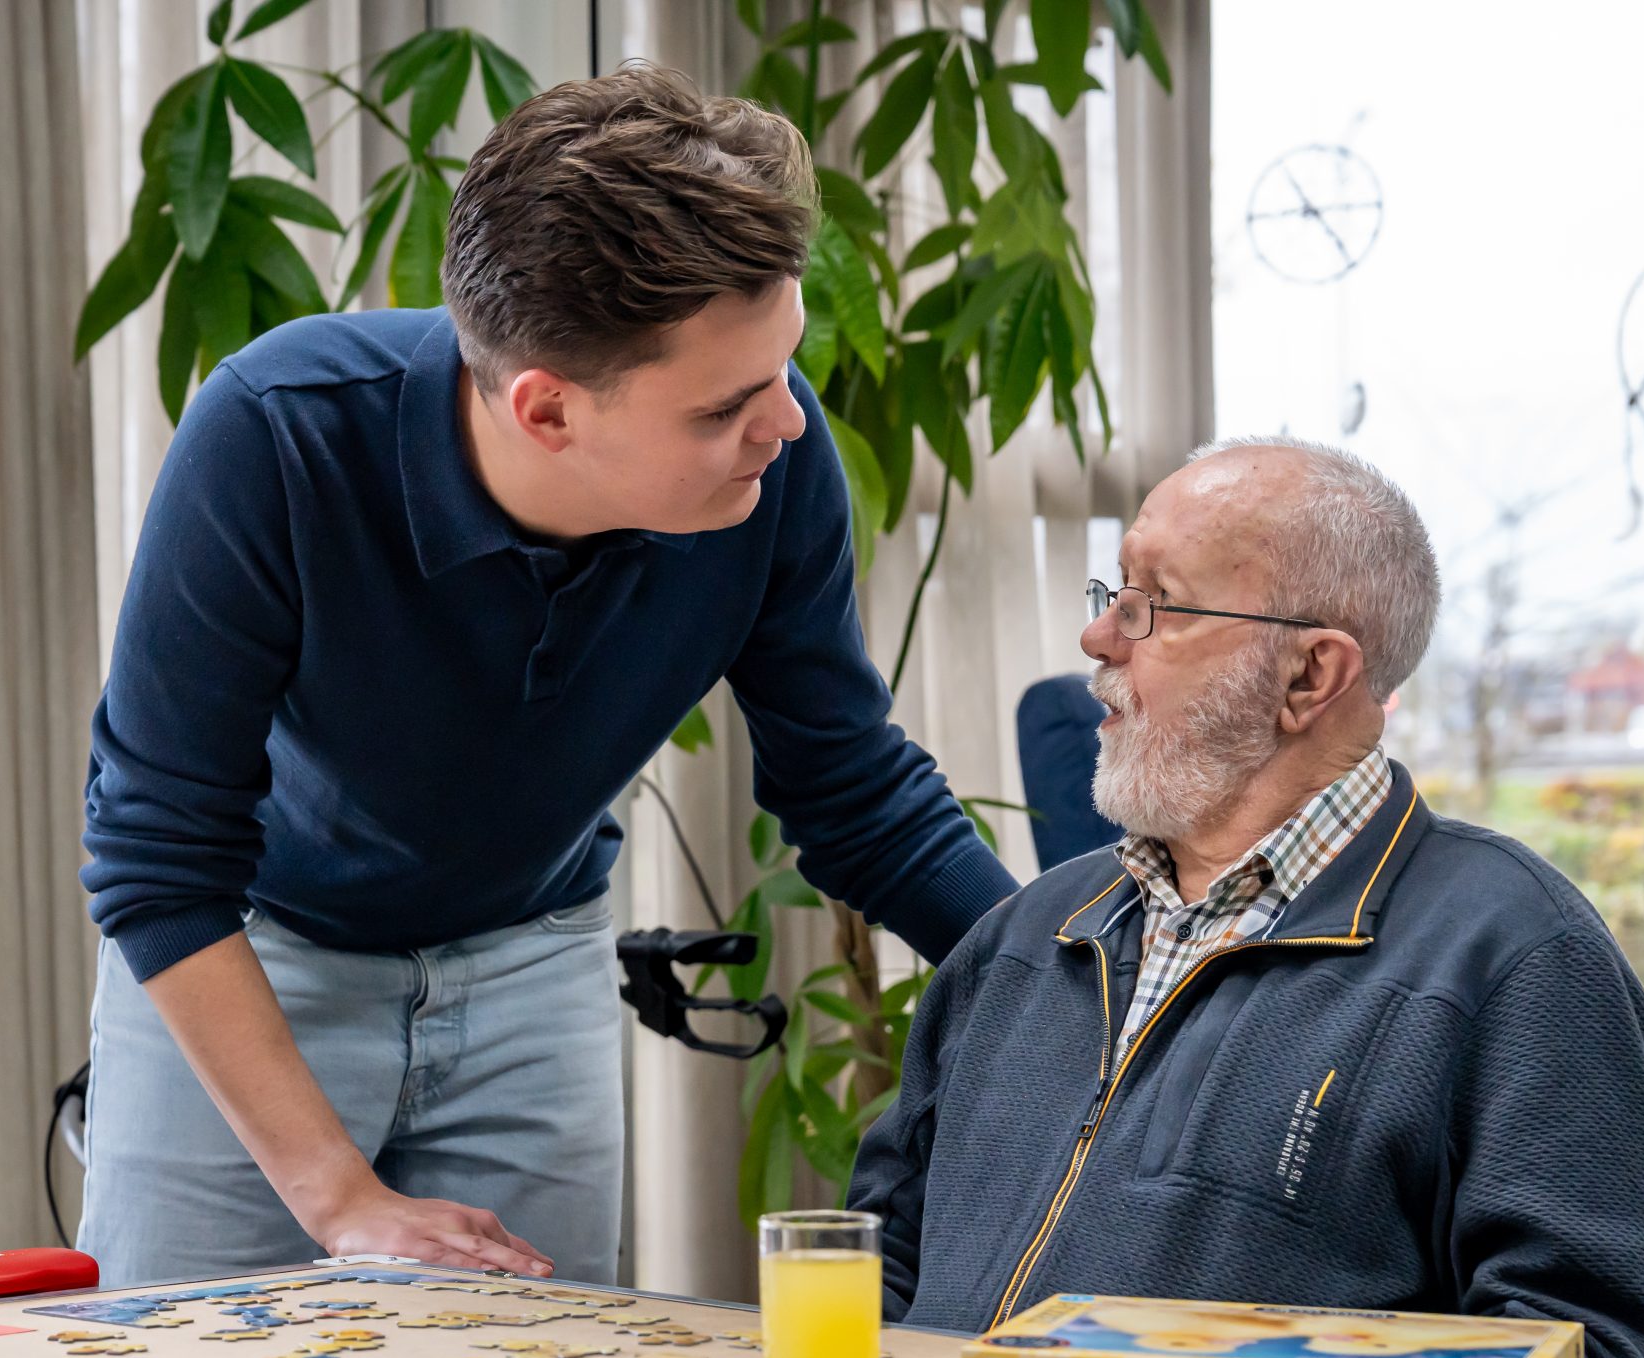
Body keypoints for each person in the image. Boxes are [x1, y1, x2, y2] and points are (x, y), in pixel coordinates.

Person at [78, 68, 1015, 1290]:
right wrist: (340, 1198)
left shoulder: (773, 468)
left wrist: (1055, 975)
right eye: (726, 403)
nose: (785, 423)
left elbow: (851, 788)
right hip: (256, 959)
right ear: (548, 409)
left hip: (532, 961)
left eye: (784, 368)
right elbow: (157, 859)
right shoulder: (279, 434)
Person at [846, 437, 1644, 1358]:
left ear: (1308, 674)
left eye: (1152, 602)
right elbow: (874, 1268)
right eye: (1110, 593)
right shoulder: (1024, 938)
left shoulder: (1514, 958)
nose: (1100, 641)